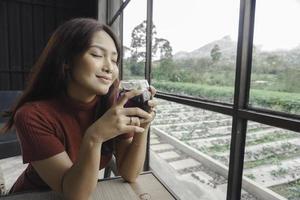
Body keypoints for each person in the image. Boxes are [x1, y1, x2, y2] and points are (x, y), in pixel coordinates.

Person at [0, 18, 157, 199]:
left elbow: (130, 174)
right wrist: (95, 137)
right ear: (66, 60)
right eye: (97, 55)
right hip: (33, 194)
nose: (109, 68)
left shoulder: (112, 104)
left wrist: (143, 126)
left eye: (114, 60)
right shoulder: (32, 115)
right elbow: (75, 194)